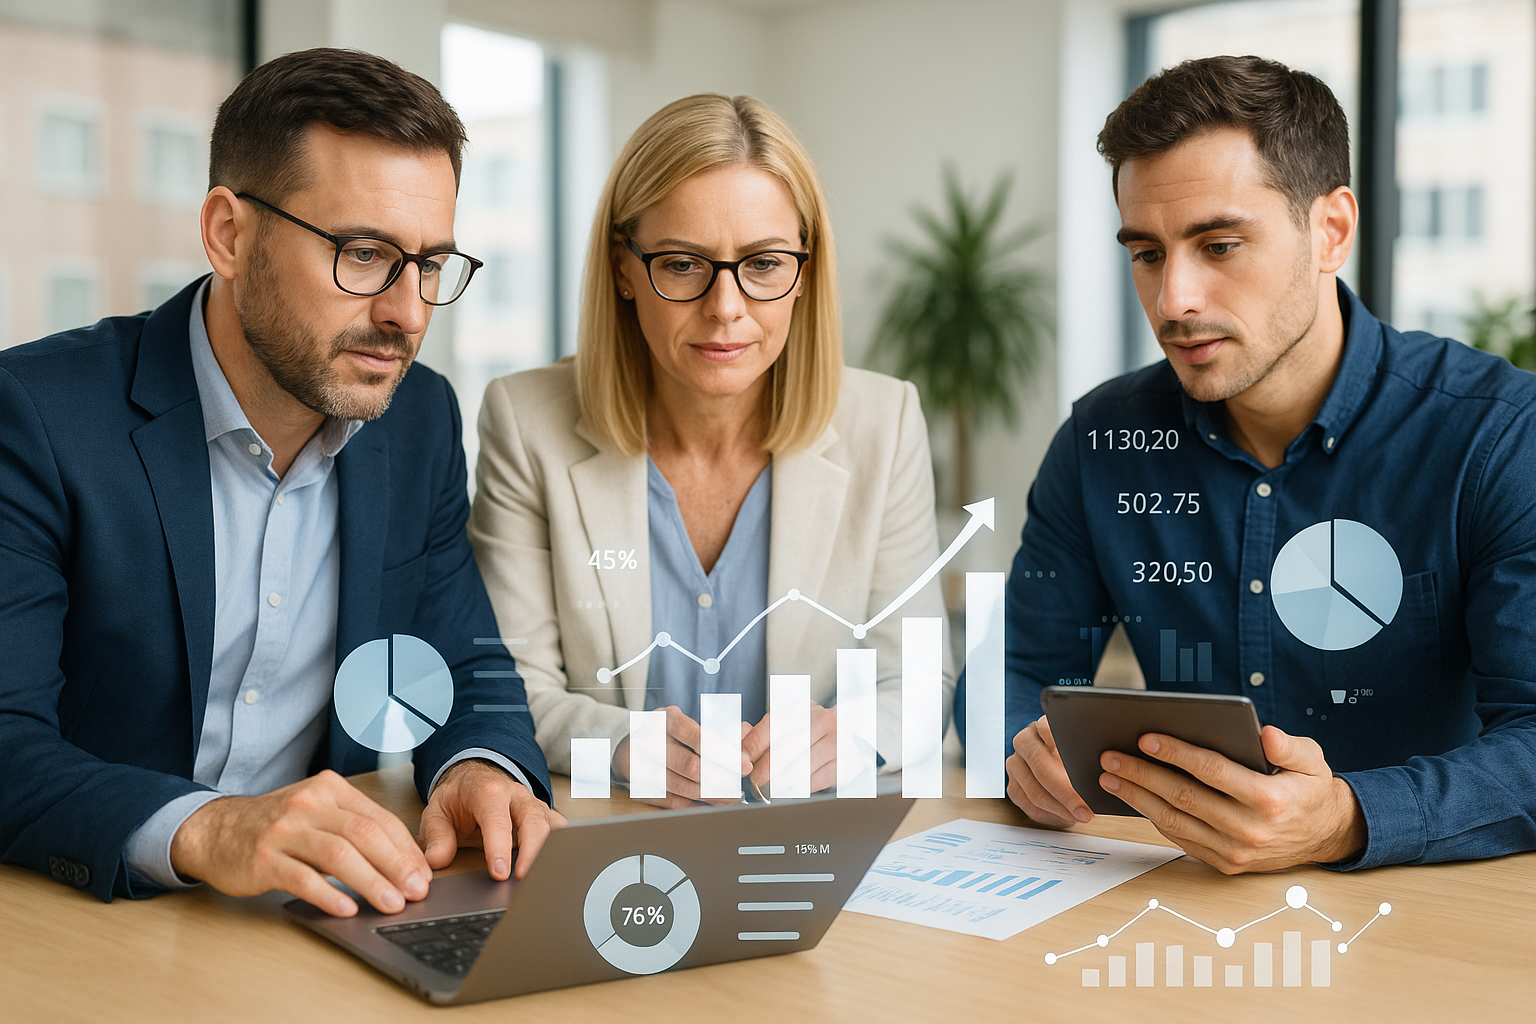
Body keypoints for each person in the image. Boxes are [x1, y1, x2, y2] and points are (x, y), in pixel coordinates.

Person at [0, 48, 561, 916]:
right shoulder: (35, 416)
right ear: (229, 233)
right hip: (88, 919)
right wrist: (210, 829)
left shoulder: (417, 420)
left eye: (431, 265)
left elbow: (463, 658)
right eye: (365, 253)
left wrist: (479, 764)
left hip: (316, 918)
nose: (407, 313)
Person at [957, 55, 1536, 871]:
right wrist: (1025, 751)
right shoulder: (1104, 441)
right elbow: (1009, 671)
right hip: (1173, 910)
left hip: (1428, 918)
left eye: (1219, 244)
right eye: (1147, 253)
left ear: (1330, 230)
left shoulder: (1497, 435)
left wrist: (1348, 817)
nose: (1173, 301)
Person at [469, 94, 954, 806]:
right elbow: (508, 688)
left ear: (804, 270)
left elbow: (917, 683)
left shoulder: (885, 422)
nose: (726, 307)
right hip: (613, 848)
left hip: (807, 846)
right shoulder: (525, 422)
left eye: (762, 264)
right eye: (683, 264)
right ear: (625, 270)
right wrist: (623, 744)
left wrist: (848, 738)